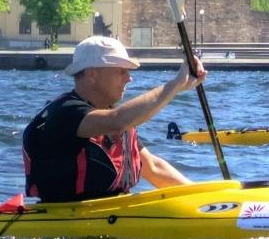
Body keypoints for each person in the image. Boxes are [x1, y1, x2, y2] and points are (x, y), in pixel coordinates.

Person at [21, 35, 204, 201]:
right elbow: (117, 120)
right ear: (92, 73)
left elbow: (154, 168)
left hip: (108, 215)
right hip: (67, 222)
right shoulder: (65, 112)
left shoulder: (114, 116)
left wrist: (202, 196)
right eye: (121, 71)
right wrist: (175, 84)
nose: (129, 79)